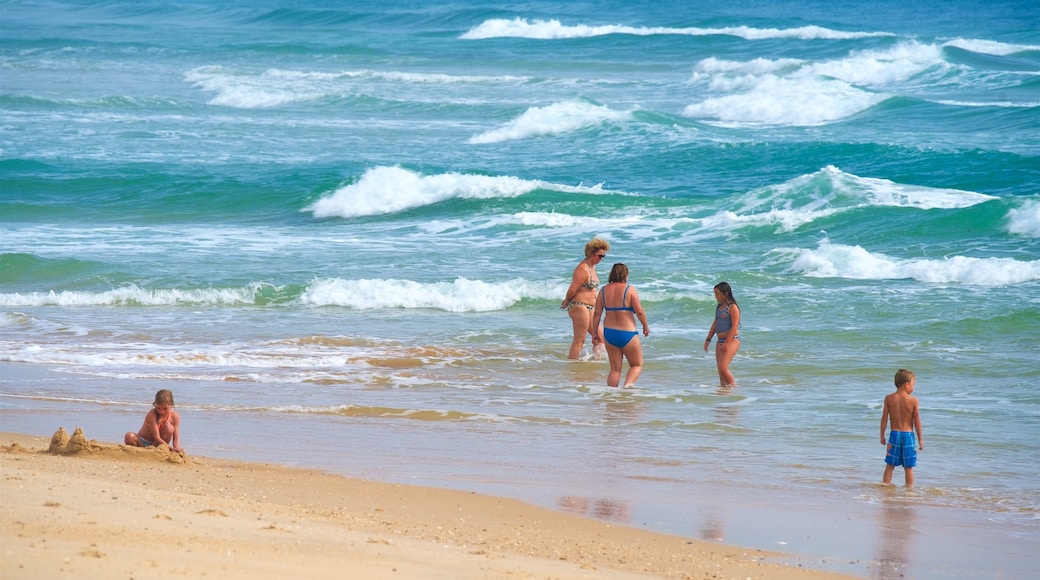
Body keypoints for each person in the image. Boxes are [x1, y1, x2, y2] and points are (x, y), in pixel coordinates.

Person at [591, 263, 649, 387]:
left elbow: (597, 313)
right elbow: (639, 311)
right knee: (636, 365)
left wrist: (595, 332)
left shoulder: (603, 290)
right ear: (625, 275)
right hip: (627, 333)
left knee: (615, 370)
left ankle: (612, 397)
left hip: (609, 334)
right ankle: (627, 386)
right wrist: (645, 325)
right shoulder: (629, 289)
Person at [561, 237, 610, 359]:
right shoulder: (582, 268)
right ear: (591, 254)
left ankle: (596, 363)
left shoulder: (592, 267)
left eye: (604, 256)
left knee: (600, 337)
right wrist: (567, 301)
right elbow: (573, 288)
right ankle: (572, 365)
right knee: (579, 340)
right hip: (579, 305)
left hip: (591, 307)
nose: (602, 259)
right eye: (600, 256)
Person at [880, 369, 923, 486]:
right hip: (908, 436)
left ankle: (885, 486)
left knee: (890, 465)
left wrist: (882, 435)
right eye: (913, 384)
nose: (913, 388)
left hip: (894, 435)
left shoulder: (889, 398)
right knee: (908, 467)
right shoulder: (913, 400)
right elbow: (917, 422)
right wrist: (920, 440)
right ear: (906, 384)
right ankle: (909, 492)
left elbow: (884, 418)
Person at [703, 282, 741, 387]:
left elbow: (734, 326)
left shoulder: (732, 307)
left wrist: (727, 343)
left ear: (726, 293)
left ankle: (734, 388)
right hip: (720, 341)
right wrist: (708, 339)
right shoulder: (719, 307)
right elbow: (715, 323)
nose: (716, 297)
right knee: (720, 372)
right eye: (715, 294)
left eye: (718, 294)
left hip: (732, 340)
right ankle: (724, 393)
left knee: (723, 368)